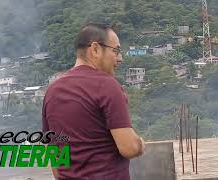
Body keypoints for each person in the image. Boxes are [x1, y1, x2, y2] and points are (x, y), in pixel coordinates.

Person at [42, 23, 145, 180]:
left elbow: (52, 151)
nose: (120, 58)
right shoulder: (107, 84)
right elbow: (129, 148)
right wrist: (140, 144)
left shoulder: (52, 91)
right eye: (116, 50)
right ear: (95, 49)